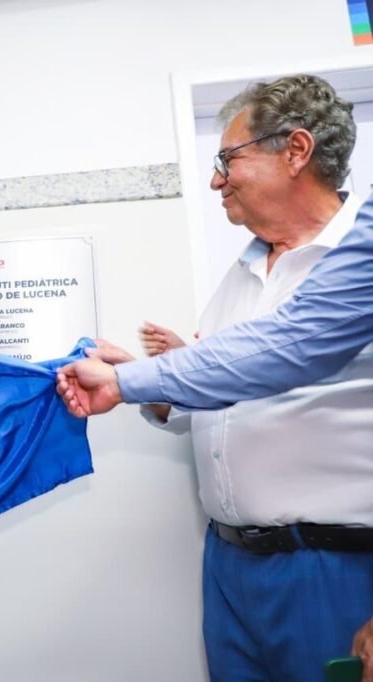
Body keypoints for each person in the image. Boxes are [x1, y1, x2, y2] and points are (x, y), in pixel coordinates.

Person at [61, 75, 373, 681]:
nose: (214, 180)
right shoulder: (240, 273)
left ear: (296, 150)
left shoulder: (356, 256)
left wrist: (137, 379)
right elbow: (233, 390)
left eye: (228, 159)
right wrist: (157, 391)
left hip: (334, 569)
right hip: (231, 567)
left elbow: (282, 351)